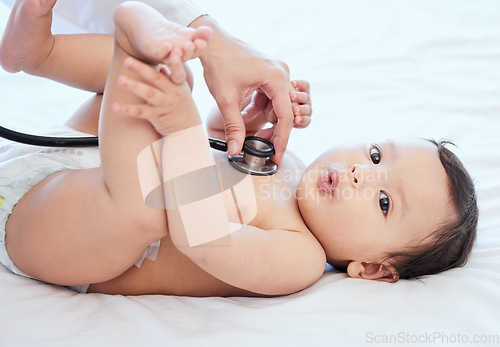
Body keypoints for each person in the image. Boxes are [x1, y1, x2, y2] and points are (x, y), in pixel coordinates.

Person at [0, 0, 478, 297]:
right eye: (376, 156)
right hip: (83, 157)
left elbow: (201, 236)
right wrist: (238, 120)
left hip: (57, 232)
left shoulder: (300, 259)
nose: (362, 175)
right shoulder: (284, 163)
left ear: (372, 268)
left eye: (383, 201)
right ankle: (36, 53)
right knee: (171, 80)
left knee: (147, 204)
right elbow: (211, 155)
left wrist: (181, 124)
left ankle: (132, 40)